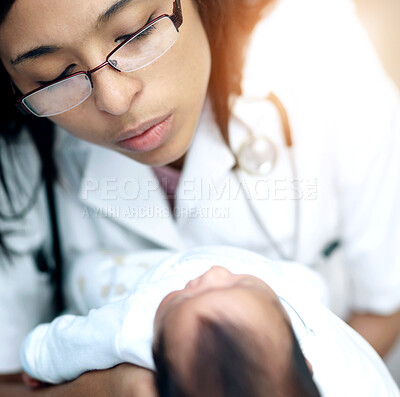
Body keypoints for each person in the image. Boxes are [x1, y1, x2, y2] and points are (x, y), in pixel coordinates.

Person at [0, 0, 399, 395]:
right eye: (53, 76)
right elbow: (11, 375)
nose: (116, 99)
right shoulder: (16, 152)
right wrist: (111, 390)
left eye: (135, 33)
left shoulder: (319, 45)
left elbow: (386, 305)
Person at [20, 246, 400, 396]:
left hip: (150, 266)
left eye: (184, 299)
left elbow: (79, 341)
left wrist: (37, 357)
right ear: (306, 362)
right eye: (238, 286)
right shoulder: (355, 382)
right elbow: (309, 289)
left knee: (87, 273)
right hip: (286, 275)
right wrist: (308, 286)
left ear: (152, 363)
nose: (215, 273)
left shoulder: (138, 320)